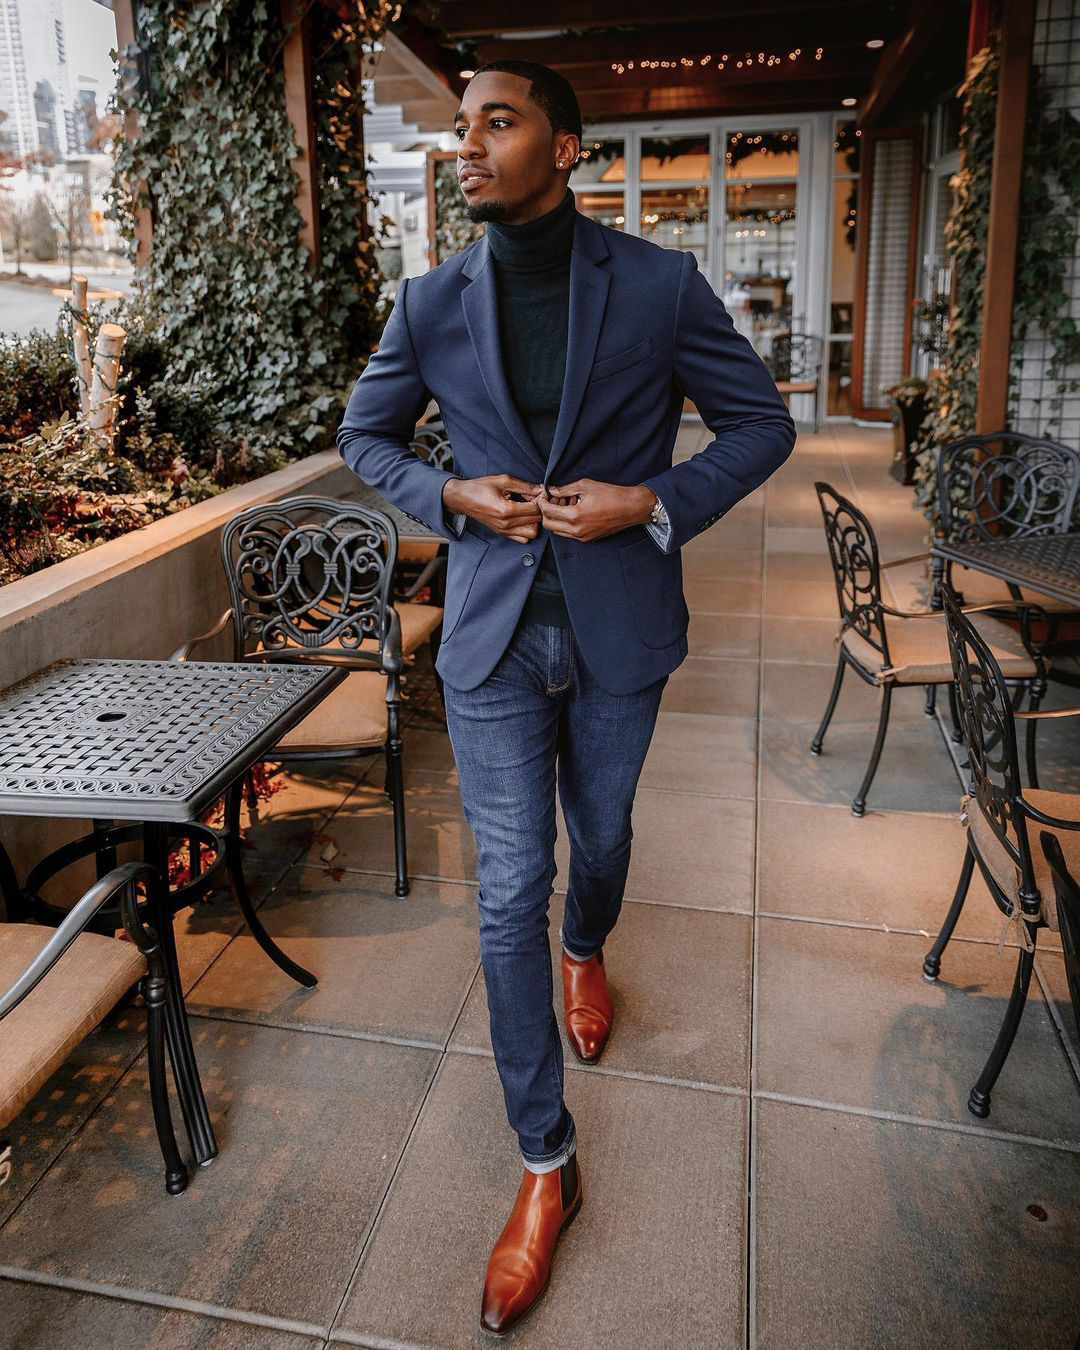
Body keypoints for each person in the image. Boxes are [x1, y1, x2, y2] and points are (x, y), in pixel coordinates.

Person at [337, 59, 797, 1338]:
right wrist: (448, 499)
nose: (469, 146)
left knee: (600, 845)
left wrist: (654, 501)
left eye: (499, 121)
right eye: (461, 126)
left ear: (568, 146)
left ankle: (590, 949)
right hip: (487, 640)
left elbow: (761, 426)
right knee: (502, 892)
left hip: (616, 633)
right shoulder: (428, 302)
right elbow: (364, 439)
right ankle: (546, 1162)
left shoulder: (654, 285)